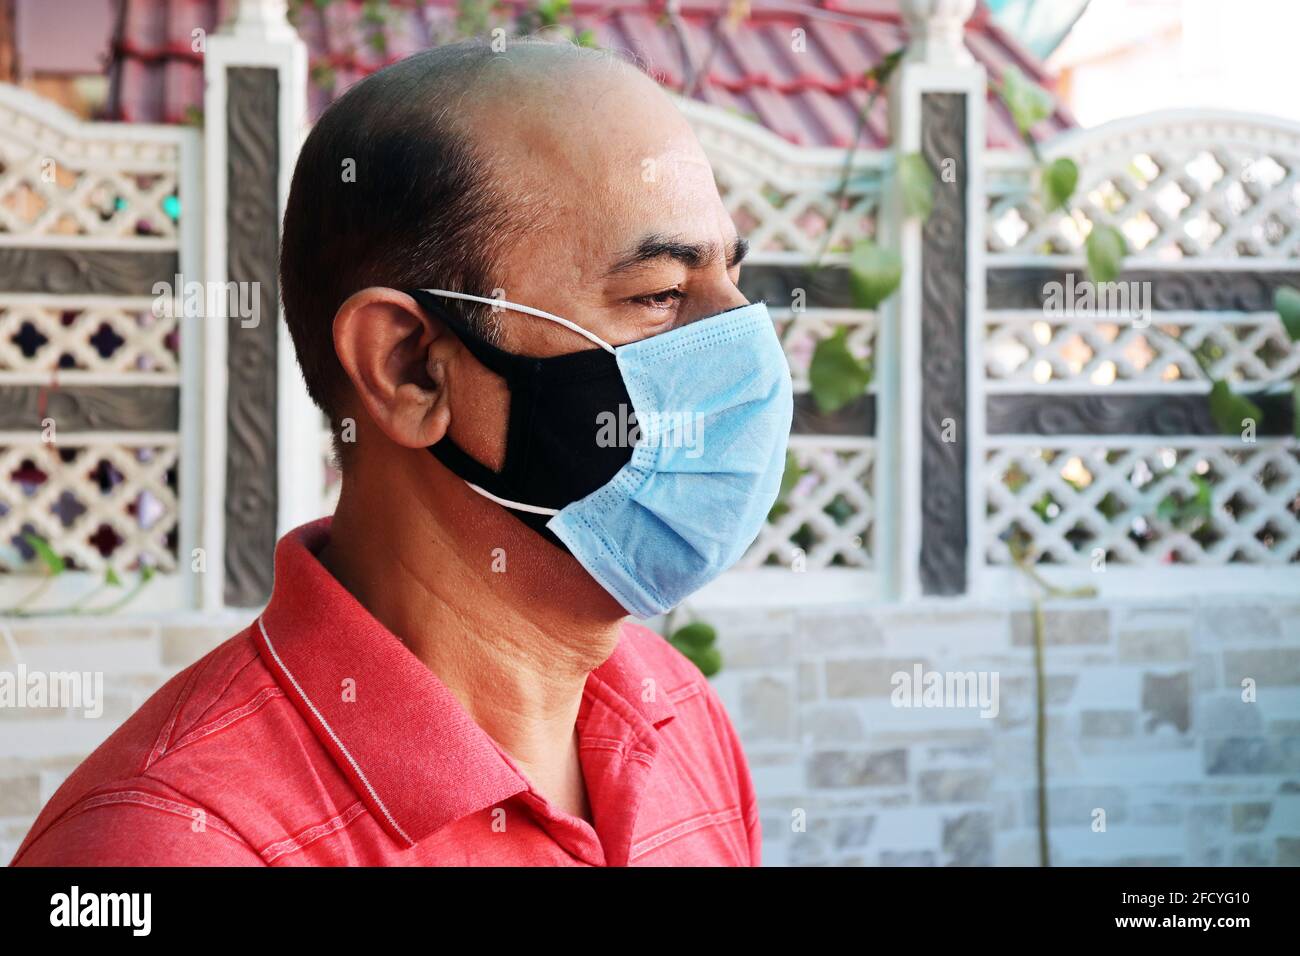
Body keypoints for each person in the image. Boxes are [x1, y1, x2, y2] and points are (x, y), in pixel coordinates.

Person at [12, 36, 792, 867]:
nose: (747, 349)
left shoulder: (676, 714)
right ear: (409, 367)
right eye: (660, 295)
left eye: (731, 284)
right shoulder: (170, 845)